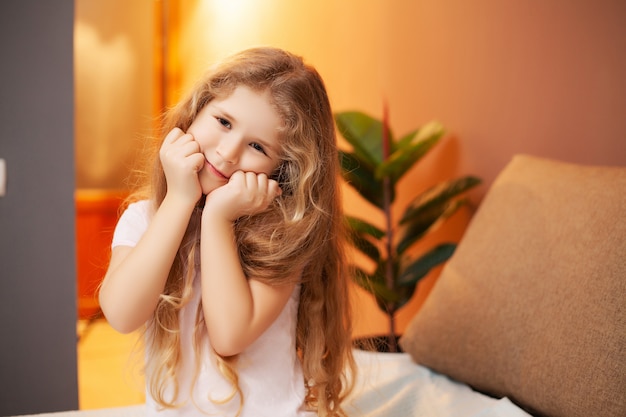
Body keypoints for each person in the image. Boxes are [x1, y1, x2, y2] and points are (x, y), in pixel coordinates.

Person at [99, 47, 356, 416]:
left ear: (282, 169)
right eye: (223, 122)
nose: (229, 152)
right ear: (194, 112)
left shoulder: (283, 235)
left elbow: (229, 335)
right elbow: (122, 315)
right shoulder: (145, 218)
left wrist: (218, 218)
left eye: (257, 146)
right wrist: (179, 200)